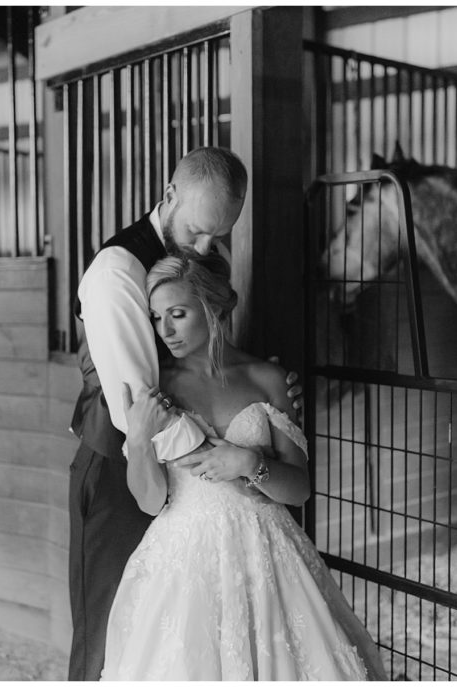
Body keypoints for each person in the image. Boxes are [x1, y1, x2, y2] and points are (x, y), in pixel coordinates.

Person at [67, 147, 299, 681]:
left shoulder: (192, 259)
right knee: (111, 641)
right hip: (120, 471)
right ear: (169, 195)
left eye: (217, 235)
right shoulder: (116, 271)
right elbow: (137, 406)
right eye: (197, 229)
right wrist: (228, 457)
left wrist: (269, 400)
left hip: (200, 486)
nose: (204, 247)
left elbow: (216, 362)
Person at [100, 251, 387, 680]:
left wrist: (249, 461)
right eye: (157, 318)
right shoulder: (158, 386)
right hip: (184, 560)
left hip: (267, 553)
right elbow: (148, 500)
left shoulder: (267, 379)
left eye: (177, 314)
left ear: (213, 307)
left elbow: (300, 489)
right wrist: (139, 438)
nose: (166, 331)